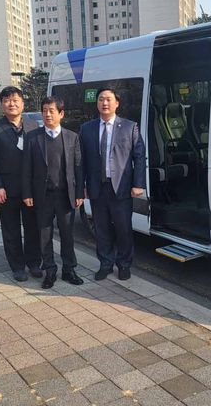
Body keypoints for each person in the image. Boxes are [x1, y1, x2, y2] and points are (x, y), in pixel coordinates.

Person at [78, 88, 145, 281]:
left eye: (108, 99)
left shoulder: (129, 127)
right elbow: (81, 160)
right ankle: (105, 263)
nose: (104, 103)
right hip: (97, 187)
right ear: (97, 103)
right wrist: (82, 186)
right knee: (101, 229)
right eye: (101, 99)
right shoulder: (87, 128)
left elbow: (139, 157)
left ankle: (124, 264)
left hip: (121, 188)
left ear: (117, 103)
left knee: (123, 229)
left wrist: (138, 184)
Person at [22, 96, 84, 289]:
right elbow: (27, 168)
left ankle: (69, 269)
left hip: (65, 195)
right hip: (42, 196)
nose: (47, 114)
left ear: (61, 113)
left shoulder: (72, 137)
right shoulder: (33, 137)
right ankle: (49, 270)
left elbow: (78, 168)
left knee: (67, 235)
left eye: (51, 111)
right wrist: (27, 193)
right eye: (44, 111)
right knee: (44, 235)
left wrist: (79, 193)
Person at [0, 86, 42, 282]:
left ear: (23, 104)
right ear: (2, 104)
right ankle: (17, 266)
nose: (12, 104)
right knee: (11, 229)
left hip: (30, 189)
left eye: (16, 100)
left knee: (32, 227)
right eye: (7, 100)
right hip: (7, 188)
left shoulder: (33, 125)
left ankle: (34, 262)